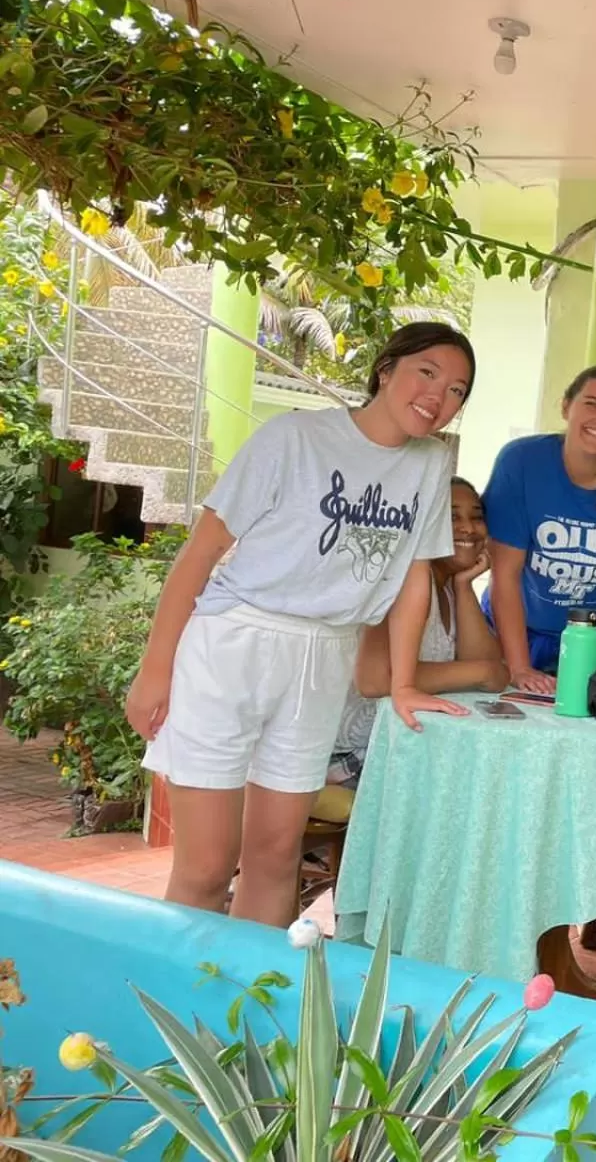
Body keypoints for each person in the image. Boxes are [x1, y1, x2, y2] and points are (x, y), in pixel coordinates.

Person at [125, 322, 474, 927]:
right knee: (207, 867)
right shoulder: (295, 437)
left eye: (458, 390)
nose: (440, 396)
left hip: (324, 660)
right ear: (386, 369)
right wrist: (154, 670)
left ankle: (246, 1017)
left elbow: (414, 578)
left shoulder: (430, 466)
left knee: (276, 858)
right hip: (235, 645)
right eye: (428, 373)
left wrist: (403, 683)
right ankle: (173, 1008)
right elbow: (201, 553)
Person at [481, 365, 596, 692]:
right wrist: (519, 666)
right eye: (591, 404)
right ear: (566, 406)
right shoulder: (521, 461)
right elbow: (505, 572)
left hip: (593, 641)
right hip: (516, 631)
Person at [328, 477, 507, 785]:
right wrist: (479, 671)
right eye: (452, 517)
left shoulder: (450, 587)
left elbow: (491, 675)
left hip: (412, 745)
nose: (469, 528)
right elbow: (375, 679)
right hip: (358, 753)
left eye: (477, 517)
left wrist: (464, 586)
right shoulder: (397, 581)